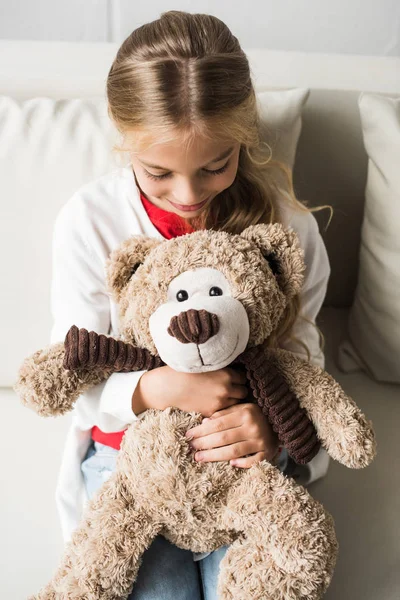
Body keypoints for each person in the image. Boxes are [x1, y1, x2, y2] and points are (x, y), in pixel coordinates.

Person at [50, 10, 331, 600]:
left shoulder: (289, 228)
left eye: (215, 165)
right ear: (125, 140)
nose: (187, 195)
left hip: (243, 466)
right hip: (131, 465)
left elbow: (303, 358)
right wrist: (157, 389)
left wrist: (272, 433)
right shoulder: (90, 221)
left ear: (243, 135)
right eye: (158, 173)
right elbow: (73, 369)